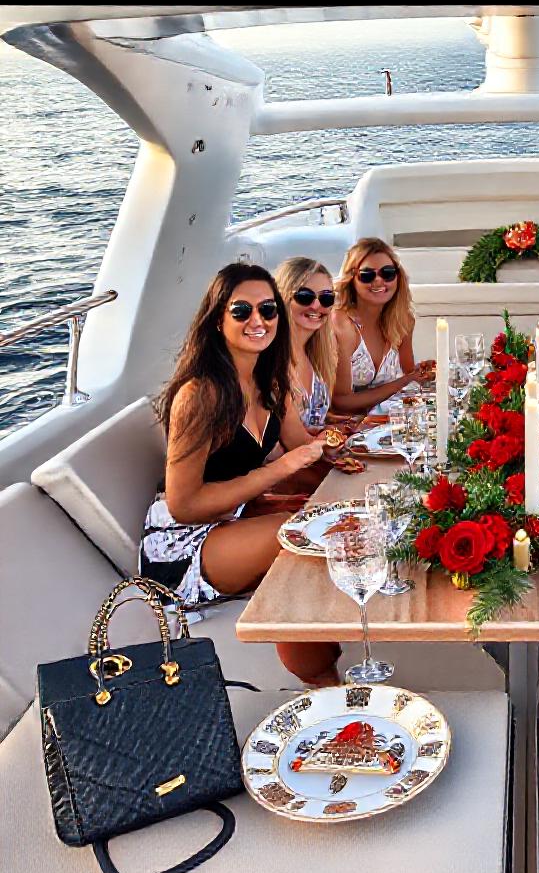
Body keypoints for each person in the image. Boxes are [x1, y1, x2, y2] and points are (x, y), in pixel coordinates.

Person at [140, 262, 341, 686]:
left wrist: (361, 466)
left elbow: (303, 447)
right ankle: (321, 679)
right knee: (298, 538)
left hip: (235, 514)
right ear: (218, 319)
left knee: (331, 515)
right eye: (241, 311)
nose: (258, 320)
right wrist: (279, 470)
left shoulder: (272, 382)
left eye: (268, 310)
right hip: (184, 543)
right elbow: (184, 505)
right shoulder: (200, 395)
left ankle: (336, 646)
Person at [331, 238, 434, 413]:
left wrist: (423, 372)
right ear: (352, 279)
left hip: (388, 420)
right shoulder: (342, 324)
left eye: (387, 273)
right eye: (367, 275)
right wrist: (405, 380)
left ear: (397, 277)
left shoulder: (403, 320)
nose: (379, 281)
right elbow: (340, 401)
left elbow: (408, 375)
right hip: (347, 423)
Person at [275, 256, 337, 432]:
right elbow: (287, 437)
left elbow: (311, 421)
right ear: (283, 297)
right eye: (305, 296)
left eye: (326, 298)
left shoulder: (317, 355)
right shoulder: (274, 360)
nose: (316, 305)